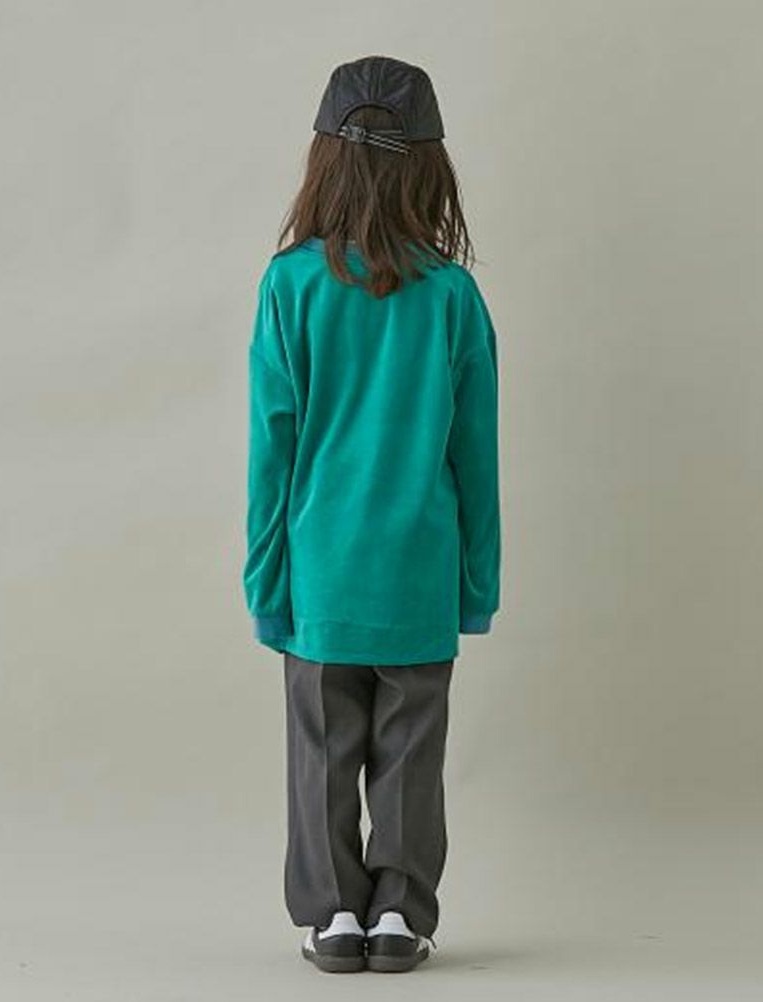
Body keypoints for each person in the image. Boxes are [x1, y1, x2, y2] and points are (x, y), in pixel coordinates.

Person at [242, 55, 501, 974]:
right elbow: (475, 455)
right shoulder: (453, 296)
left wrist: (265, 581)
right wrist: (476, 583)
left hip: (321, 570)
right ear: (430, 168)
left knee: (321, 749)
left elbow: (271, 450)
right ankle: (400, 912)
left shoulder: (290, 286)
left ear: (324, 160)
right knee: (411, 753)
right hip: (419, 571)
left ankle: (333, 916)